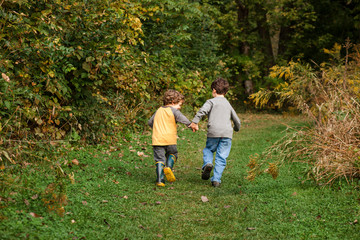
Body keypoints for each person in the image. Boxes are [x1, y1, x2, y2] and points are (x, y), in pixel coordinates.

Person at [189, 77, 241, 187]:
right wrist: (236, 128)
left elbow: (202, 111)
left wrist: (195, 122)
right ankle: (216, 180)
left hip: (213, 132)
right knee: (222, 156)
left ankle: (208, 163)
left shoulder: (211, 102)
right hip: (227, 134)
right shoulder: (228, 104)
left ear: (214, 90)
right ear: (226, 92)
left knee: (209, 149)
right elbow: (236, 119)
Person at [148, 89, 195, 187]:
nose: (179, 108)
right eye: (179, 105)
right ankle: (168, 167)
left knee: (159, 159)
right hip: (170, 139)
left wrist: (157, 128)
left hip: (157, 140)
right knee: (173, 153)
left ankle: (160, 180)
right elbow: (182, 118)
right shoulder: (173, 110)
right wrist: (190, 124)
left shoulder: (158, 110)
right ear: (173, 103)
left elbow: (150, 122)